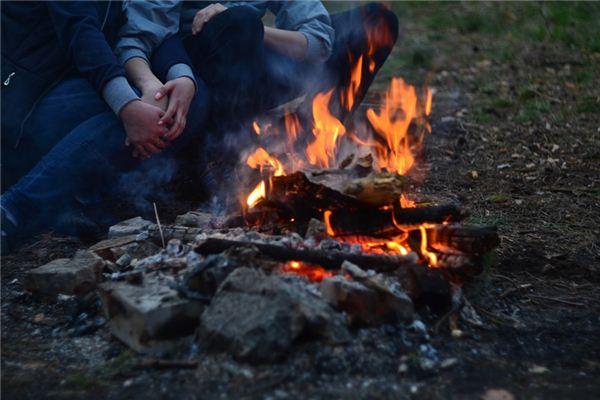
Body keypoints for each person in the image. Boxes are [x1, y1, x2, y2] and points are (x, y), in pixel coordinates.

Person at [1, 1, 209, 254]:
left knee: (184, 103)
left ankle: (79, 198)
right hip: (23, 98)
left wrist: (181, 76)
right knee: (132, 111)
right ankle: (13, 210)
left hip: (78, 84)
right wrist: (127, 106)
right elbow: (80, 31)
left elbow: (147, 27)